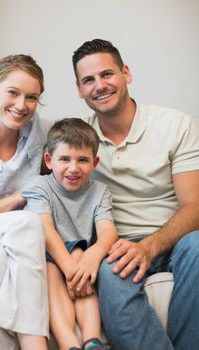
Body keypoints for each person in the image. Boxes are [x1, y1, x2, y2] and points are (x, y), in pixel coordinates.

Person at [72, 38, 199, 350]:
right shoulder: (78, 141)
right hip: (117, 248)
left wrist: (148, 246)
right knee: (107, 267)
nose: (99, 86)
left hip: (176, 240)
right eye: (88, 80)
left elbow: (195, 206)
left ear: (126, 73)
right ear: (79, 90)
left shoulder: (175, 125)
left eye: (107, 74)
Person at [0, 54, 51, 350]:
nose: (21, 106)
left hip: (1, 248)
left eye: (32, 97)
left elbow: (78, 141)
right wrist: (16, 200)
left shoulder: (41, 133)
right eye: (12, 92)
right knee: (27, 221)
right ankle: (34, 343)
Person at [22, 118, 118, 350]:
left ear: (94, 162)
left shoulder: (99, 191)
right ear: (49, 160)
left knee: (79, 254)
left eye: (83, 160)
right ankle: (68, 344)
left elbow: (108, 232)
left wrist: (92, 256)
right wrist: (70, 267)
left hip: (81, 257)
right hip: (48, 254)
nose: (73, 168)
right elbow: (45, 230)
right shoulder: (39, 186)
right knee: (57, 267)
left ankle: (92, 341)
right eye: (64, 159)